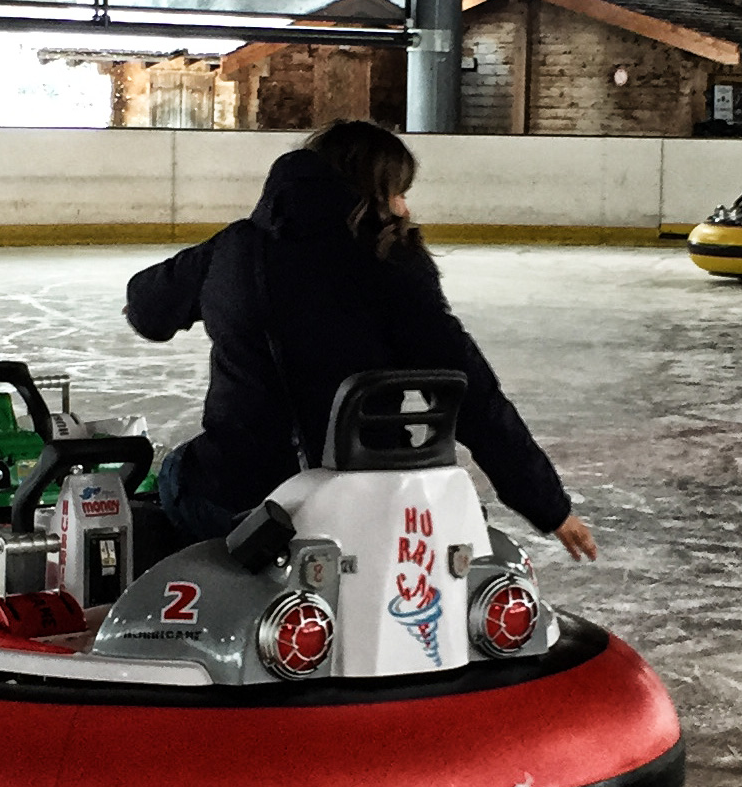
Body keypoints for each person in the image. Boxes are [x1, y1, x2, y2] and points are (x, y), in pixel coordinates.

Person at [124, 120, 596, 560]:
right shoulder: (392, 263)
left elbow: (147, 310)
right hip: (374, 496)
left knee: (175, 470)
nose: (405, 207)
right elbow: (472, 393)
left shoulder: (232, 248)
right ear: (373, 193)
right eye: (398, 192)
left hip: (248, 497)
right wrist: (549, 507)